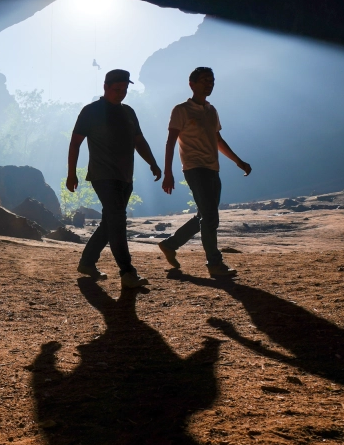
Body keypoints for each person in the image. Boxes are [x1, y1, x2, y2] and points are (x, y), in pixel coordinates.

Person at [66, 69, 162, 288]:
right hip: (103, 176)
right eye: (117, 89)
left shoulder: (128, 112)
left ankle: (87, 263)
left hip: (125, 177)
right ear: (105, 87)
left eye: (125, 90)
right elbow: (75, 143)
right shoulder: (91, 111)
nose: (121, 93)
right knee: (117, 221)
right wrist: (72, 173)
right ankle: (128, 272)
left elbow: (139, 140)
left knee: (110, 222)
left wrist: (152, 162)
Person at [159, 66, 251, 278]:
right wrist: (168, 172)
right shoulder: (181, 110)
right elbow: (171, 142)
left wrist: (238, 161)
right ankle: (214, 264)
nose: (209, 84)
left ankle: (170, 245)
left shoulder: (211, 111)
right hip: (194, 168)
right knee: (210, 217)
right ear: (191, 84)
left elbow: (217, 140)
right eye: (204, 80)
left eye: (211, 80)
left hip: (212, 169)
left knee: (204, 215)